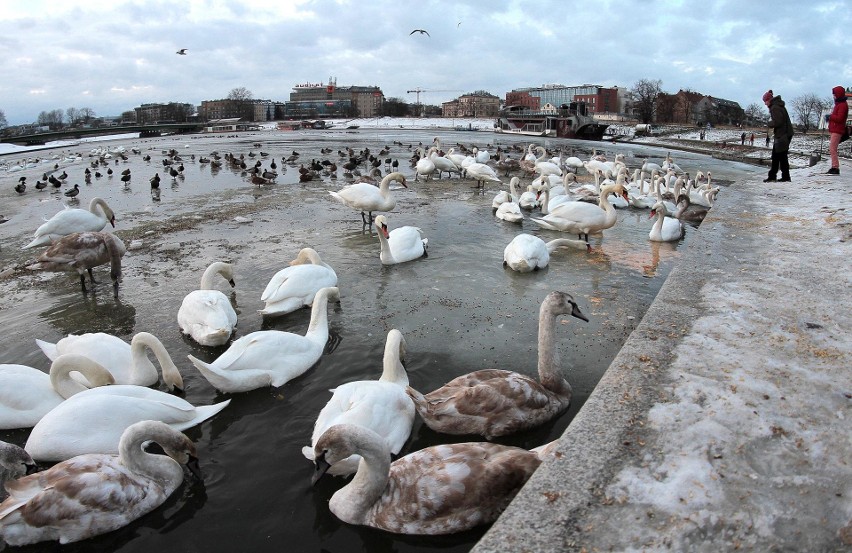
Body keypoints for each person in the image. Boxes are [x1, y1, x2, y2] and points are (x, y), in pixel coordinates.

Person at [763, 89, 794, 183]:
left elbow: (778, 121)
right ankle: (782, 176)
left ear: (769, 100)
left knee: (778, 156)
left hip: (782, 135)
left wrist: (769, 123)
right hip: (785, 134)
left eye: (765, 101)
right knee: (780, 156)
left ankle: (777, 176)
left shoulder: (775, 107)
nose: (765, 104)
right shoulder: (778, 105)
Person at [825, 85, 849, 175]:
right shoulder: (839, 105)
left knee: (832, 148)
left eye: (834, 94)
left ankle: (835, 168)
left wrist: (830, 117)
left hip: (838, 130)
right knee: (832, 148)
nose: (833, 96)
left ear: (838, 95)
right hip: (836, 129)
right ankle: (834, 167)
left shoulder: (842, 105)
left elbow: (840, 118)